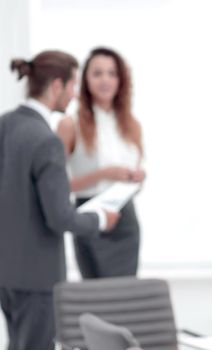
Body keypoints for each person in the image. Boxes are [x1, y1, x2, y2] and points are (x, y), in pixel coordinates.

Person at [0, 50, 119, 350]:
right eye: (72, 85)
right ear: (56, 85)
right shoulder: (46, 140)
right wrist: (100, 219)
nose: (74, 95)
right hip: (37, 275)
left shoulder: (5, 125)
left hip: (6, 270)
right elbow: (60, 217)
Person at [57, 47, 145, 279]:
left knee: (125, 294)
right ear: (85, 80)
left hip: (125, 217)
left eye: (112, 73)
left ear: (121, 80)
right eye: (97, 73)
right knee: (96, 294)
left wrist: (137, 179)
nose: (105, 80)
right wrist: (103, 174)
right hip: (89, 215)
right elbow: (55, 184)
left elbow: (134, 181)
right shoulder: (70, 125)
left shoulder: (132, 125)